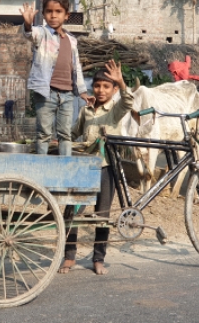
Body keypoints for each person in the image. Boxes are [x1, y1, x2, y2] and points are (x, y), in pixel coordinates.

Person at [59, 60, 133, 275]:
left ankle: (98, 258)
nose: (101, 90)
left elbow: (128, 102)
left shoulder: (116, 110)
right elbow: (74, 132)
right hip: (84, 168)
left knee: (102, 215)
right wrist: (61, 140)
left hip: (106, 168)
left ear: (114, 90)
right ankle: (69, 256)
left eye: (106, 86)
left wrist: (122, 81)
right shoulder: (86, 110)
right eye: (97, 86)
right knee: (72, 211)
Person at [20, 0, 94, 156]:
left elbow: (76, 67)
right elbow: (29, 34)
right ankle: (42, 166)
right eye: (49, 11)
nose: (53, 15)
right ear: (43, 14)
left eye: (58, 11)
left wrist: (83, 92)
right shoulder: (42, 33)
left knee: (65, 134)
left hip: (67, 95)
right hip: (46, 93)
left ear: (66, 15)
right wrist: (28, 23)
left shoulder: (72, 40)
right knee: (44, 133)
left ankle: (64, 166)